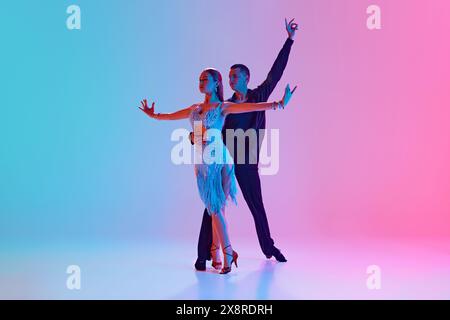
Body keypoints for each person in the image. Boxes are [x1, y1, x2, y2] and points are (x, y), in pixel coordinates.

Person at [139, 67, 297, 274]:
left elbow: (252, 107)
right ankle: (215, 252)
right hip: (201, 161)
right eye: (200, 79)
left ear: (216, 84)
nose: (202, 81)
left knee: (215, 207)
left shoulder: (224, 106)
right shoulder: (195, 108)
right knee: (215, 209)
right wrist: (154, 115)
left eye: (206, 78)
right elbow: (171, 118)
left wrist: (279, 104)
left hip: (220, 159)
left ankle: (227, 252)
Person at [192, 19, 299, 271]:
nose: (230, 79)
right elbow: (208, 130)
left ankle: (269, 247)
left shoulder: (258, 95)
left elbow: (276, 72)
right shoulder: (225, 106)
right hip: (225, 162)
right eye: (227, 76)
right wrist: (197, 139)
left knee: (257, 207)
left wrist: (289, 40)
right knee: (212, 205)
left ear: (245, 78)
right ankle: (202, 255)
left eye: (234, 76)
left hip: (248, 163)